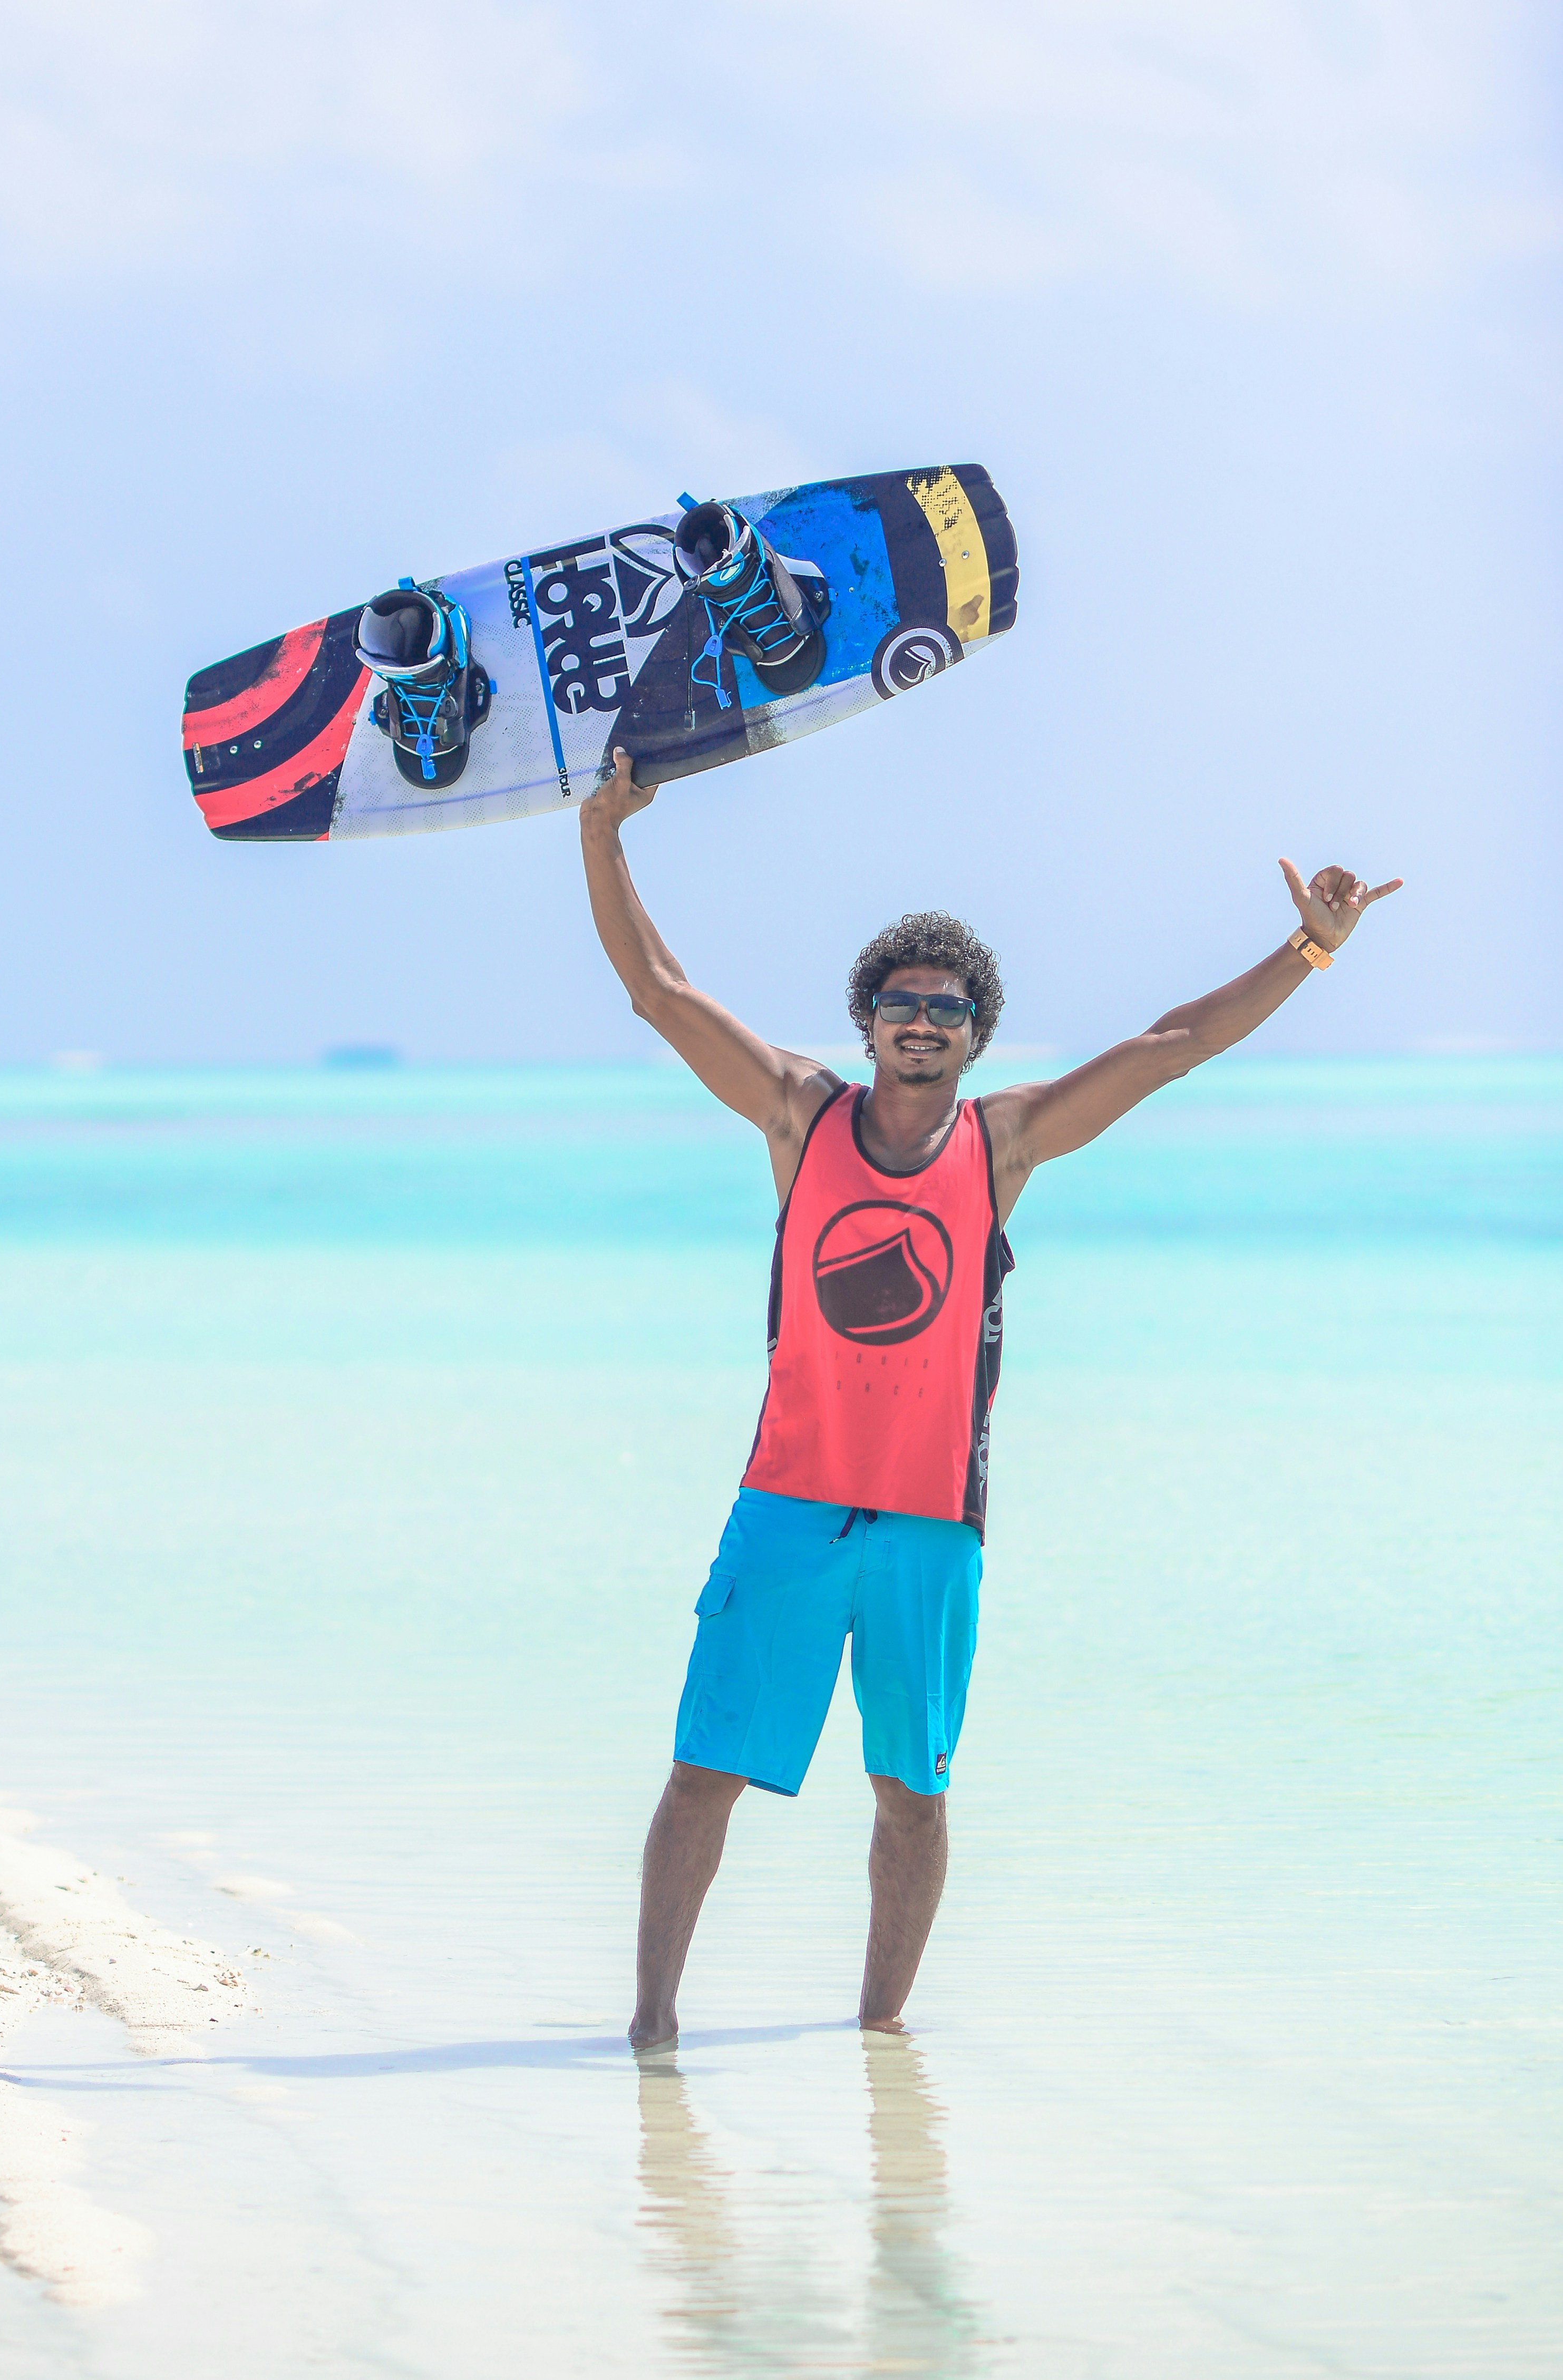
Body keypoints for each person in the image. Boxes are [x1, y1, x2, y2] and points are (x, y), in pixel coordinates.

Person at [580, 748, 1401, 2050]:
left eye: (947, 1006)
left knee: (913, 1799)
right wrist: (603, 832)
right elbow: (657, 991)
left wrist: (1308, 951)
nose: (922, 1020)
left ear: (976, 1030)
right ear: (866, 1021)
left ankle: (878, 2053)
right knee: (702, 1775)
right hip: (787, 1506)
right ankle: (650, 2036)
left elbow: (1173, 1047)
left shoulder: (1001, 1143)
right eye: (900, 1002)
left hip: (929, 1526)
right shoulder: (799, 1117)